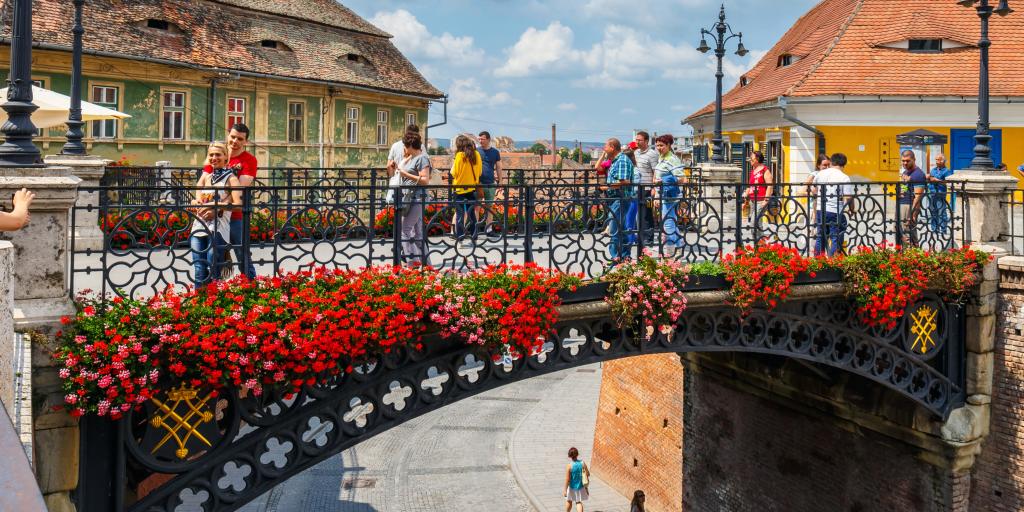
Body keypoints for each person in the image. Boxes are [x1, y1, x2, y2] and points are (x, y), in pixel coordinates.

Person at [203, 123, 258, 279]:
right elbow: (203, 181)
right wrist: (200, 203)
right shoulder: (217, 154)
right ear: (228, 135)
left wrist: (218, 206)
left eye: (240, 139)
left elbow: (239, 188)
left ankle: (251, 288)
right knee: (214, 256)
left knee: (242, 255)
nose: (235, 141)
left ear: (245, 142)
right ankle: (215, 293)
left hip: (235, 217)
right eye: (233, 137)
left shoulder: (249, 160)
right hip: (214, 219)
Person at [190, 142, 242, 287]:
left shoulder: (231, 178)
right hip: (199, 226)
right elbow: (198, 195)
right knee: (199, 268)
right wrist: (196, 202)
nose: (214, 158)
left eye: (218, 154)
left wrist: (218, 207)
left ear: (226, 157)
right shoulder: (207, 177)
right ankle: (198, 303)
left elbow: (238, 205)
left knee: (213, 267)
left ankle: (214, 304)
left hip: (218, 228)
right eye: (211, 155)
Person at [393, 131, 432, 266]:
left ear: (409, 145)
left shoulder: (422, 158)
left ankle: (413, 262)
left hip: (417, 198)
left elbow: (425, 180)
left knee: (404, 230)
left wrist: (405, 174)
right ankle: (427, 265)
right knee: (418, 235)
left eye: (404, 144)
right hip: (410, 198)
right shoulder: (411, 158)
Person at [813, 153, 856, 257]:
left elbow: (814, 189)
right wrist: (852, 209)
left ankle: (818, 262)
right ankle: (833, 262)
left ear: (831, 162)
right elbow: (848, 197)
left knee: (821, 236)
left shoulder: (820, 174)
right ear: (844, 164)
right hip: (835, 211)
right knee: (836, 236)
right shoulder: (844, 177)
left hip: (820, 209)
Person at [599, 138, 635, 261]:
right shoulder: (615, 160)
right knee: (621, 227)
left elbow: (625, 181)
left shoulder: (622, 161)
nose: (604, 149)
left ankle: (616, 257)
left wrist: (606, 186)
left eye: (606, 146)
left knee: (614, 228)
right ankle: (624, 256)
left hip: (621, 198)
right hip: (616, 198)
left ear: (613, 147)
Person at [652, 134, 685, 254]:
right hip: (663, 194)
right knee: (669, 220)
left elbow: (682, 179)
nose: (659, 148)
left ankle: (670, 251)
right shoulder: (662, 158)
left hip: (670, 195)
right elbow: (657, 177)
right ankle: (678, 243)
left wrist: (664, 181)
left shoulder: (672, 159)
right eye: (657, 146)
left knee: (668, 222)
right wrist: (656, 193)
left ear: (669, 145)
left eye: (661, 145)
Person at [450, 135, 482, 247]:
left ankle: (460, 239)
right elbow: (480, 172)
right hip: (472, 188)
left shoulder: (459, 155)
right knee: (471, 214)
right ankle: (474, 238)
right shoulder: (477, 154)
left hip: (459, 189)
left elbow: (454, 173)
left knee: (460, 215)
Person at [633, 131, 658, 244]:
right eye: (636, 139)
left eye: (640, 140)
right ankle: (640, 237)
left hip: (647, 188)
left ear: (646, 141)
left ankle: (648, 238)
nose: (637, 142)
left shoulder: (652, 154)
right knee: (637, 213)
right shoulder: (636, 153)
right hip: (637, 188)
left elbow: (655, 171)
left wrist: (654, 188)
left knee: (646, 214)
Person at [897, 150, 927, 247]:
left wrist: (912, 213)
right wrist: (901, 192)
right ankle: (911, 254)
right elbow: (905, 188)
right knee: (901, 231)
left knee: (907, 232)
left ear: (914, 160)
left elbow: (918, 196)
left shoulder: (918, 174)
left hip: (909, 205)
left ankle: (909, 256)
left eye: (907, 161)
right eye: (903, 161)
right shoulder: (906, 172)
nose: (905, 163)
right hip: (902, 203)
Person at [477, 131, 502, 234]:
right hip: (478, 183)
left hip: (490, 183)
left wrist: (500, 180)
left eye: (482, 139)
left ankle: (489, 229)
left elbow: (499, 167)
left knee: (489, 207)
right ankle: (475, 228)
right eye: (479, 139)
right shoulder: (476, 151)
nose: (480, 141)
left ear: (488, 139)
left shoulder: (495, 152)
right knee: (476, 206)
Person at [926, 153, 954, 233]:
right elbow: (930, 179)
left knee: (942, 211)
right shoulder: (933, 170)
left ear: (943, 161)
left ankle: (943, 229)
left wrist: (937, 180)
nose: (937, 161)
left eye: (938, 160)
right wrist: (928, 178)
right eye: (936, 160)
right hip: (932, 193)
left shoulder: (947, 171)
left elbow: (948, 182)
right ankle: (934, 229)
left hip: (940, 193)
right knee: (933, 211)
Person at [742, 151, 772, 220]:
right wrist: (744, 199)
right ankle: (758, 231)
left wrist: (766, 200)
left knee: (754, 222)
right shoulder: (753, 171)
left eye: (751, 158)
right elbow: (749, 186)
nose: (750, 160)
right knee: (755, 224)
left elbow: (770, 186)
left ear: (757, 159)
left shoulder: (765, 170)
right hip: (752, 201)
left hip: (761, 200)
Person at [563, 447, 589, 512]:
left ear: (570, 456)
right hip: (581, 487)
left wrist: (565, 490)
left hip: (572, 487)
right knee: (578, 502)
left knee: (569, 500)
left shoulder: (569, 466)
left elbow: (567, 479)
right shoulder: (582, 463)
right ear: (577, 454)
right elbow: (588, 474)